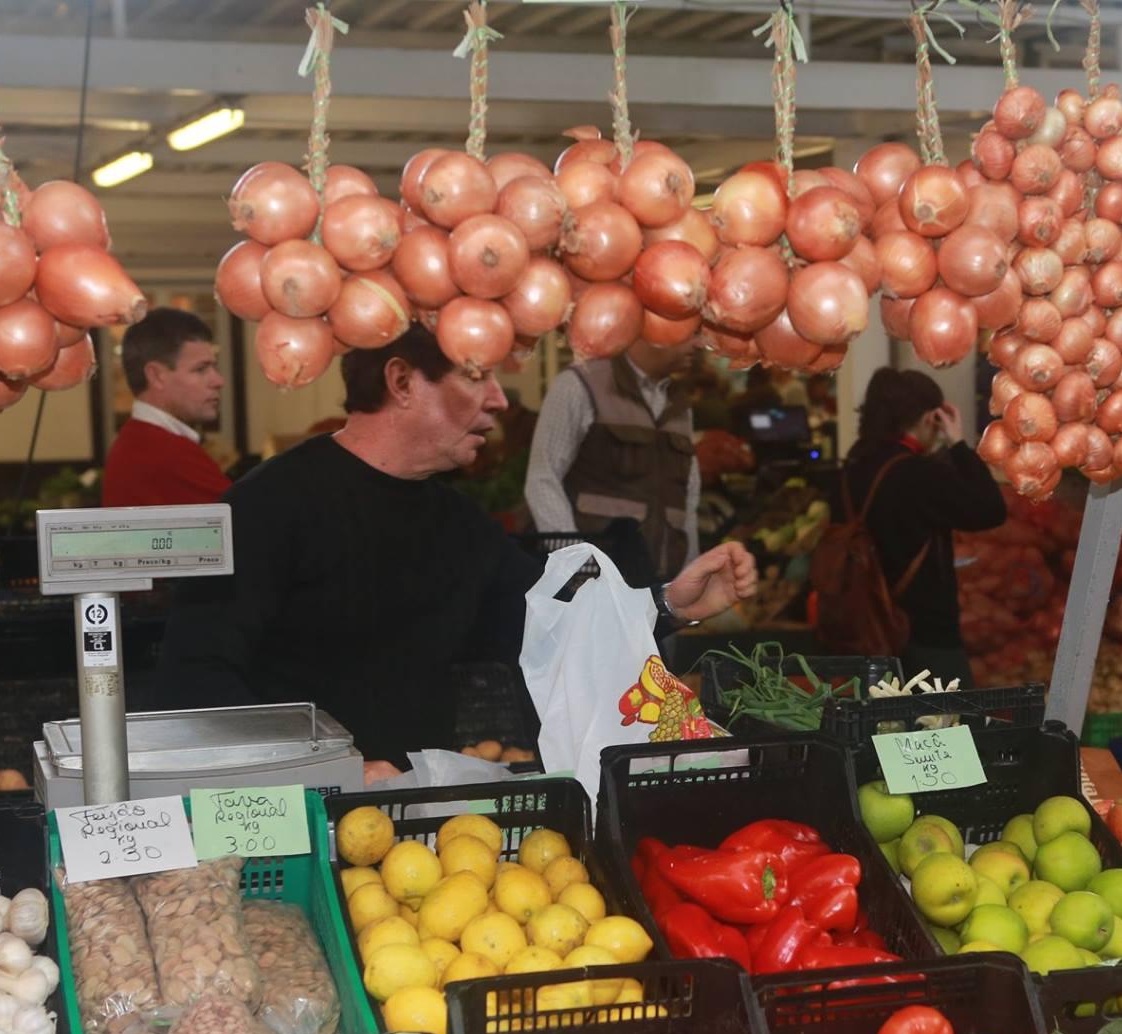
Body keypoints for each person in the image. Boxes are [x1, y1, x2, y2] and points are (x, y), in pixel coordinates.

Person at [160, 328, 757, 781]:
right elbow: (195, 678)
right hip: (288, 814)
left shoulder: (459, 523)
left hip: (419, 816)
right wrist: (324, 769)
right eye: (477, 377)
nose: (500, 401)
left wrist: (669, 603)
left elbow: (550, 628)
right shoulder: (264, 507)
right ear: (401, 382)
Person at [833, 368, 1005, 686]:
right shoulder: (919, 475)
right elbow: (991, 509)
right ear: (930, 419)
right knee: (947, 728)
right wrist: (957, 443)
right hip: (925, 632)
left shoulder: (852, 467)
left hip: (865, 627)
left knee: (878, 728)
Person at [523, 338, 700, 586]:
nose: (699, 344)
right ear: (650, 327)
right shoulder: (580, 384)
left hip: (658, 589)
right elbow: (542, 480)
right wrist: (579, 571)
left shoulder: (679, 403)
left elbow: (688, 497)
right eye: (689, 333)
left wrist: (688, 578)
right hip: (589, 588)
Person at [101, 309, 229, 508]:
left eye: (214, 368)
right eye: (201, 369)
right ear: (156, 376)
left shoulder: (140, 441)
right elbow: (251, 524)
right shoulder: (164, 454)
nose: (218, 381)